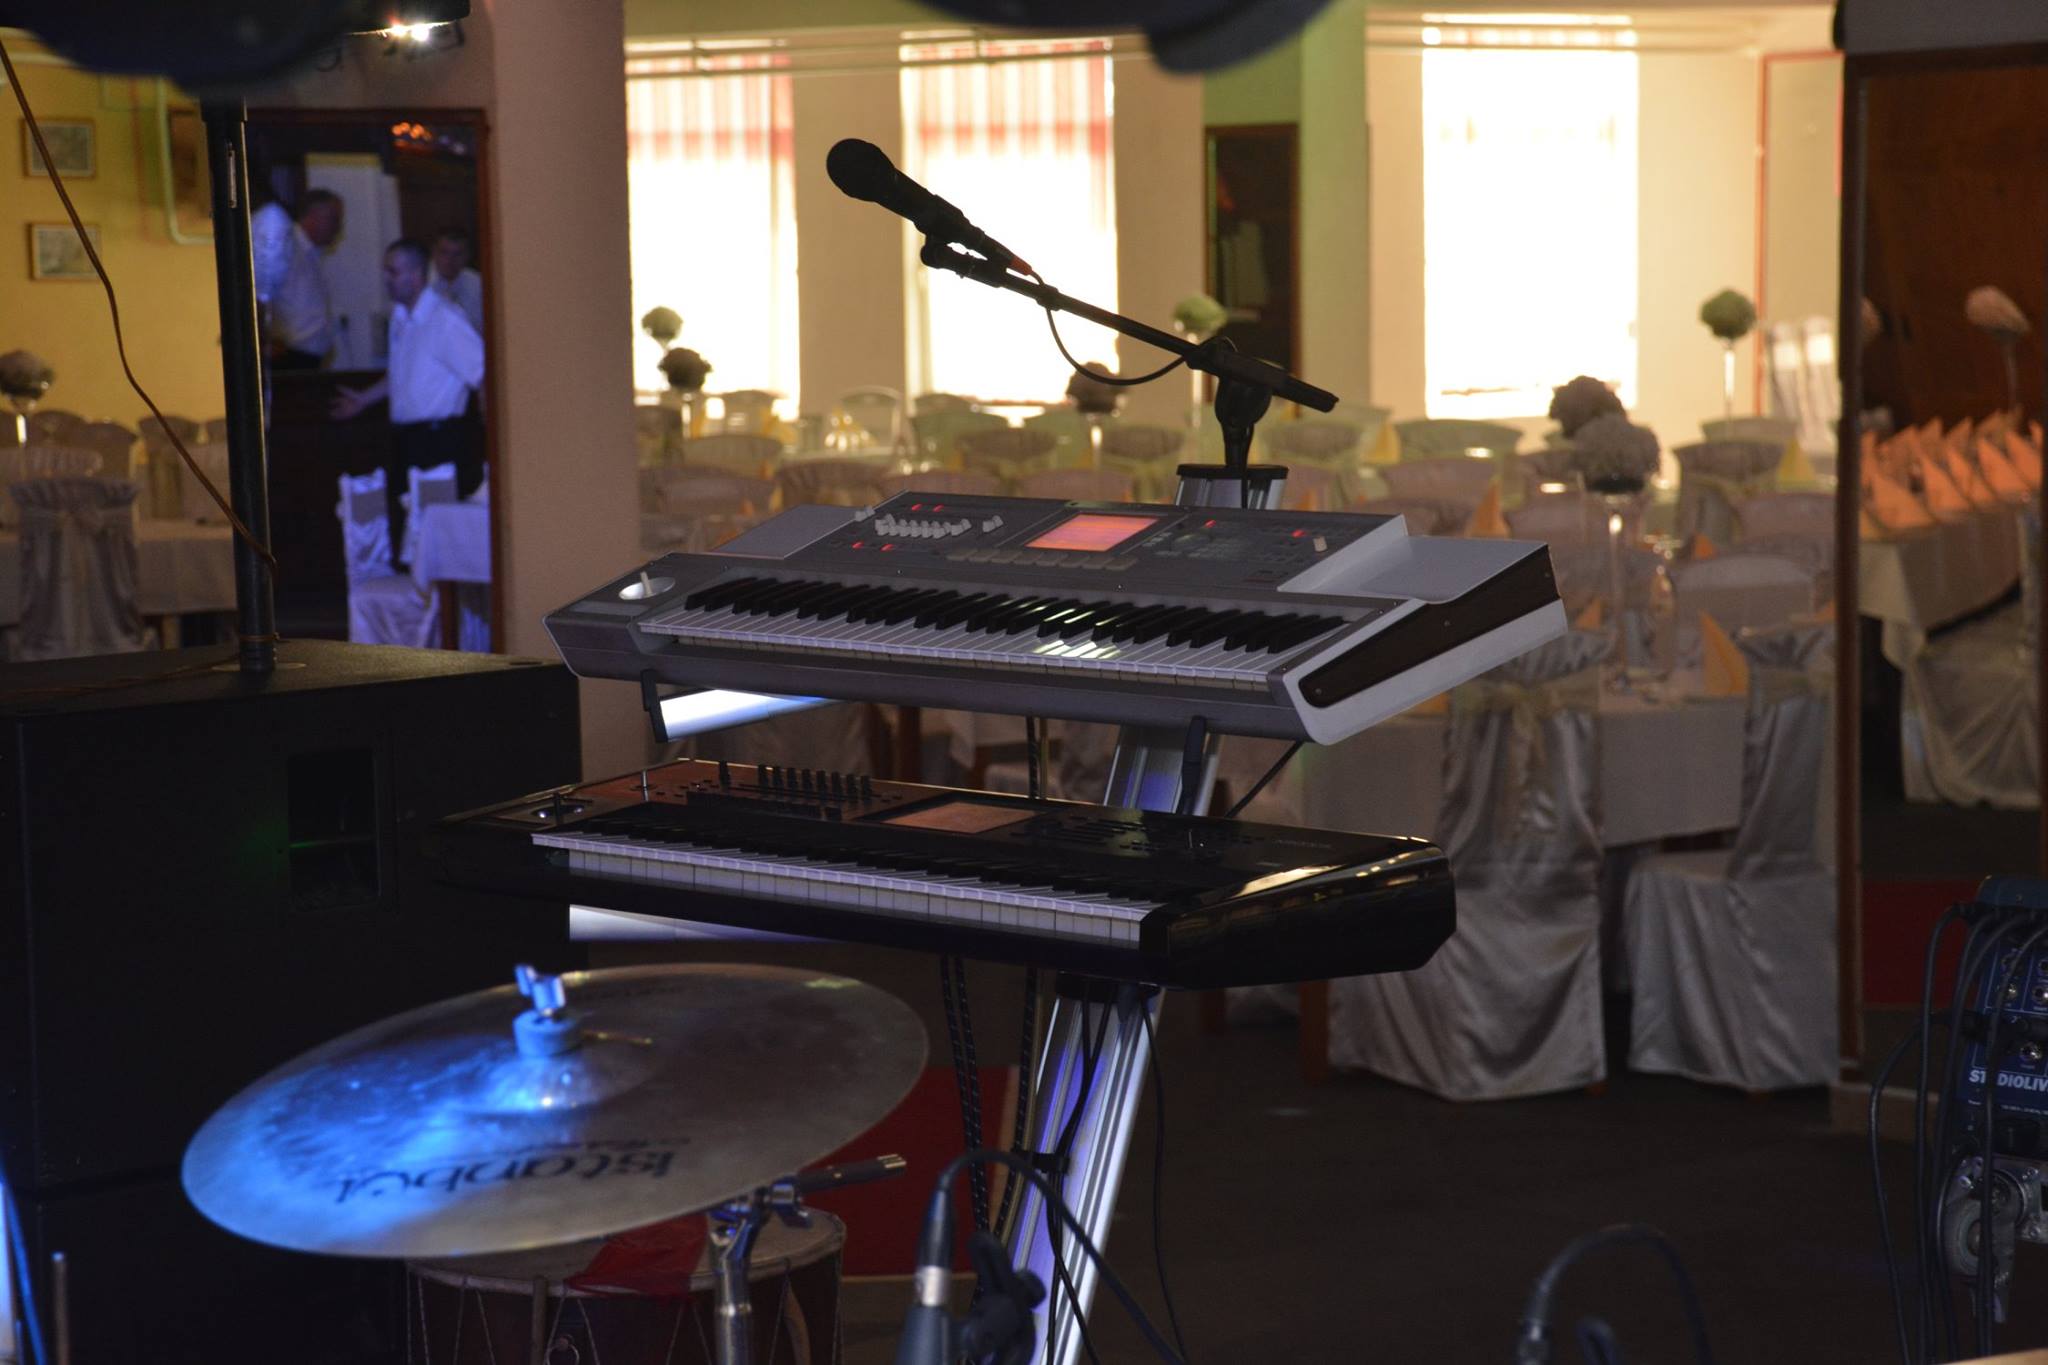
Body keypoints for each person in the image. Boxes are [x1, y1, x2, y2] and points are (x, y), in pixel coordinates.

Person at [332, 238, 485, 565]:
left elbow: (482, 372)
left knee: (437, 534)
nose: (386, 279)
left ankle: (443, 596)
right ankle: (421, 595)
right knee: (412, 531)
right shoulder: (402, 317)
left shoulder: (445, 319)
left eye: (393, 271)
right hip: (408, 440)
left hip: (440, 441)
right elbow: (400, 376)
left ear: (416, 275)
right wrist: (363, 400)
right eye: (385, 271)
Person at [252, 187, 343, 370]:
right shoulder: (284, 243)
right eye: (333, 219)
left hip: (307, 359)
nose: (338, 227)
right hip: (287, 358)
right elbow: (258, 290)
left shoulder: (311, 252)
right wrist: (263, 340)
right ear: (313, 215)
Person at [429, 227, 485, 334]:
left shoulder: (478, 284)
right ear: (434, 253)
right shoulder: (421, 284)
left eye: (458, 254)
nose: (450, 260)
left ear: (467, 255)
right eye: (444, 252)